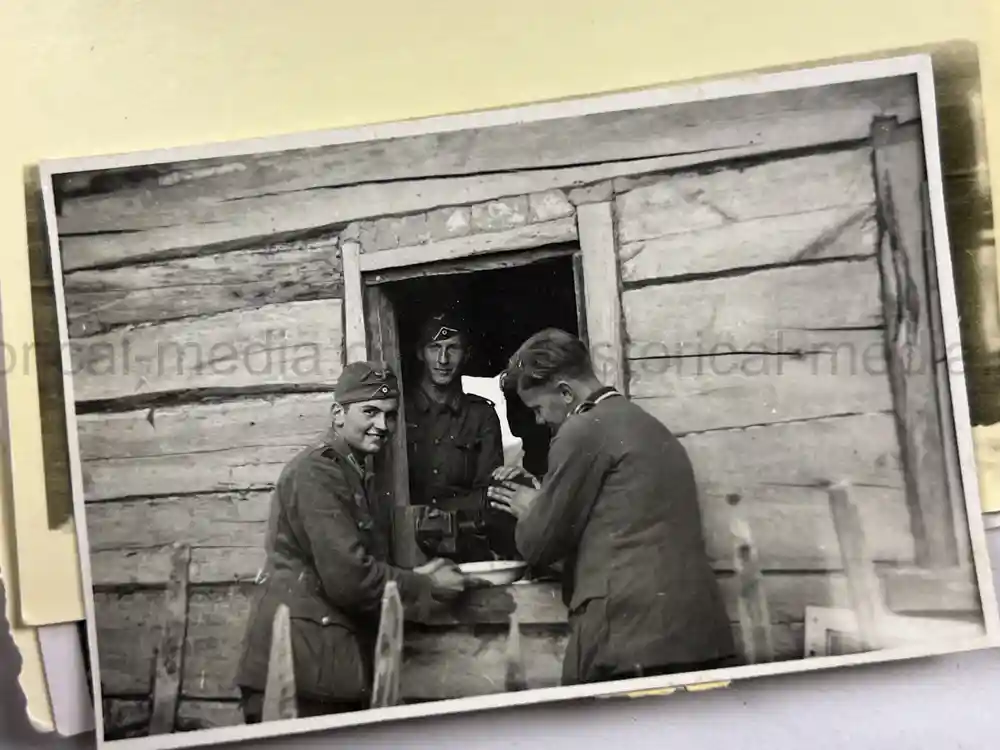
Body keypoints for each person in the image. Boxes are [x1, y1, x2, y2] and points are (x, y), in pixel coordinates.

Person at [486, 329, 738, 685]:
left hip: (629, 639)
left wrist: (531, 507)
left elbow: (537, 545)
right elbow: (616, 519)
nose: (540, 421)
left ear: (565, 392)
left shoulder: (582, 429)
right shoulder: (645, 423)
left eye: (538, 408)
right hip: (695, 633)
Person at [235, 361, 468, 722]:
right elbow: (349, 578)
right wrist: (425, 584)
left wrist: (418, 575)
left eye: (390, 415)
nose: (382, 425)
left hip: (319, 666)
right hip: (295, 671)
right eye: (370, 412)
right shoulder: (317, 472)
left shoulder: (352, 471)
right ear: (338, 414)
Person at [405, 311, 514, 561]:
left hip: (464, 543)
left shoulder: (481, 415)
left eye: (452, 348)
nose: (443, 359)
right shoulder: (399, 412)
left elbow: (487, 494)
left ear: (466, 354)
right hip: (406, 542)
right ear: (420, 353)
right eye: (434, 347)